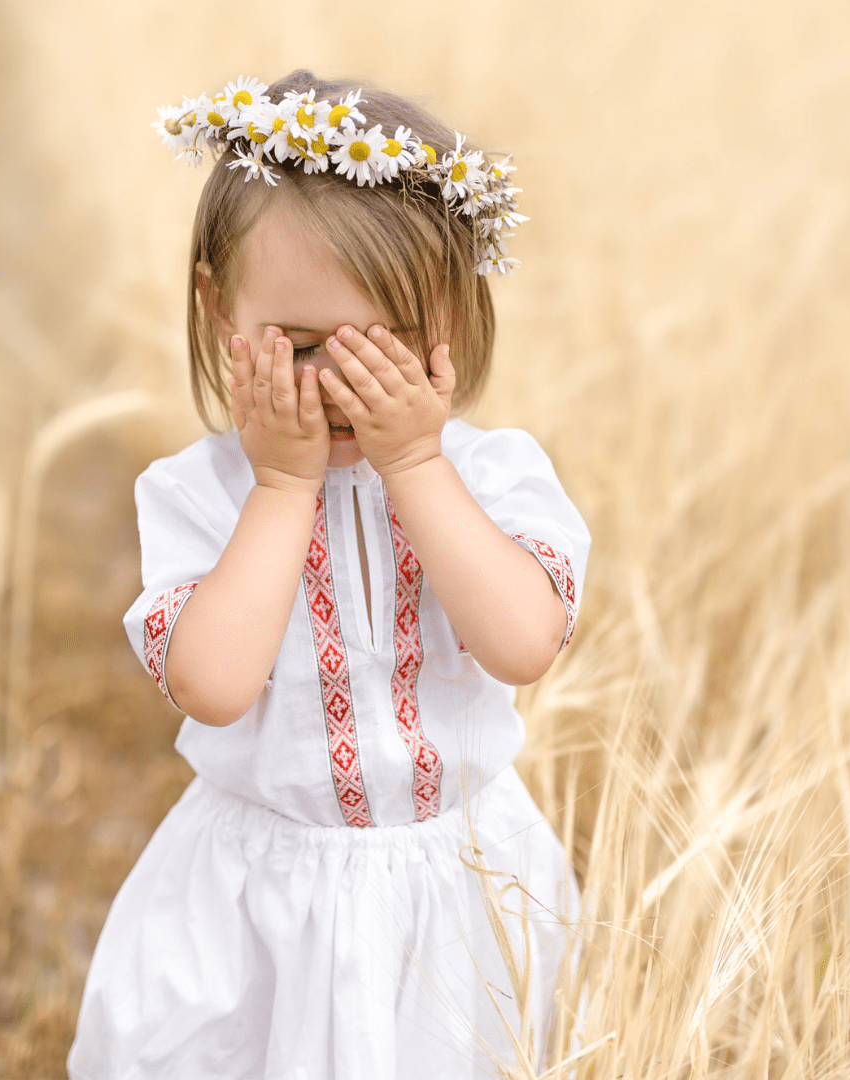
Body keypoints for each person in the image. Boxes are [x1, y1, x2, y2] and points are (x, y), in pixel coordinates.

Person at [68, 70, 587, 1079]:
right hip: (264, 902)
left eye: (384, 350)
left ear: (457, 318)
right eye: (303, 347)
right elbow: (212, 686)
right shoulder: (202, 495)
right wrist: (278, 487)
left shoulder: (492, 476)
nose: (344, 387)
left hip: (459, 888)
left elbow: (523, 644)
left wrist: (417, 467)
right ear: (219, 311)